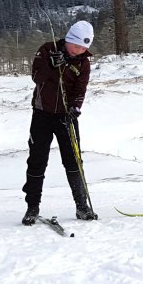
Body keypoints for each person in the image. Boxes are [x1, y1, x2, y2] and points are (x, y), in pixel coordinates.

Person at [23, 20, 97, 224]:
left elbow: (80, 88)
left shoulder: (83, 62)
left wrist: (76, 106)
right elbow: (36, 77)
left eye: (84, 47)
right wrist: (51, 65)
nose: (79, 50)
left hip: (67, 117)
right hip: (42, 115)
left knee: (73, 161)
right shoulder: (48, 50)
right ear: (69, 40)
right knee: (37, 161)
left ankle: (82, 206)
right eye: (76, 46)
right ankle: (32, 207)